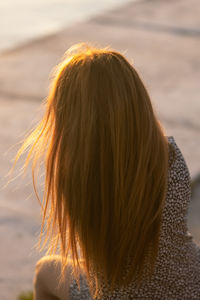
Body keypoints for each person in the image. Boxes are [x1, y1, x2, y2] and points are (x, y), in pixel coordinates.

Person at [16, 43, 200, 299]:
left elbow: (98, 263)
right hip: (190, 283)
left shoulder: (80, 180)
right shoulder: (169, 155)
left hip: (117, 294)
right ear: (137, 101)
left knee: (44, 271)